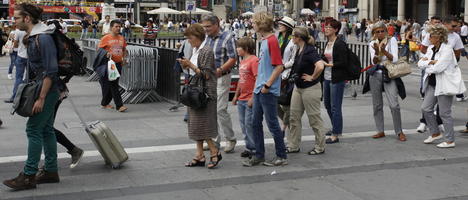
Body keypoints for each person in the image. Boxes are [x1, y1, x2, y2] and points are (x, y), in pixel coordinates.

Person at [4, 3, 61, 190]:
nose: (14, 21)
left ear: (27, 18)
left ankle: (29, 175)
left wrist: (41, 98)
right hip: (44, 89)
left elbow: (51, 71)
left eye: (17, 18)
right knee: (46, 130)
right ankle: (51, 171)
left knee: (33, 130)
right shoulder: (35, 36)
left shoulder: (43, 38)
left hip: (47, 90)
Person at [242, 12, 287, 167]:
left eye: (254, 22)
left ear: (260, 24)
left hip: (267, 90)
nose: (252, 25)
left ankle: (281, 155)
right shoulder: (265, 41)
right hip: (260, 89)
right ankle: (259, 155)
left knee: (272, 123)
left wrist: (267, 85)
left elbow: (279, 66)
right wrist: (256, 91)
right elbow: (262, 69)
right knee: (255, 123)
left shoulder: (271, 41)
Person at [177, 24, 221, 169]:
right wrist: (185, 65)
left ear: (197, 37)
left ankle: (214, 151)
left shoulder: (206, 50)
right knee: (195, 125)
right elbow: (194, 70)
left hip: (205, 93)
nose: (188, 41)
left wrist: (189, 64)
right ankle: (200, 155)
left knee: (203, 125)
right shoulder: (196, 49)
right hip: (195, 92)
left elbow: (206, 75)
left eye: (190, 38)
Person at [418, 24, 466, 148]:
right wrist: (430, 62)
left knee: (445, 113)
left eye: (431, 36)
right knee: (426, 108)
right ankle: (435, 133)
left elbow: (439, 68)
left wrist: (428, 67)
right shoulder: (430, 49)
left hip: (444, 85)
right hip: (432, 84)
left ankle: (450, 140)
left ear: (438, 37)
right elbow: (419, 63)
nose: (428, 38)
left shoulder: (447, 49)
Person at [285, 26, 326, 155]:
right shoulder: (299, 49)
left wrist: (312, 77)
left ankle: (320, 146)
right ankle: (293, 145)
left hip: (310, 88)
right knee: (294, 117)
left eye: (293, 36)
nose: (291, 38)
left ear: (298, 37)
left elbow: (320, 65)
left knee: (314, 118)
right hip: (299, 87)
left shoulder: (309, 50)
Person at [364, 21, 407, 142]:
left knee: (394, 105)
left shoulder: (392, 40)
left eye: (382, 31)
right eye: (377, 32)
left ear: (386, 31)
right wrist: (377, 52)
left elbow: (395, 59)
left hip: (389, 74)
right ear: (374, 33)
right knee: (377, 105)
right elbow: (374, 62)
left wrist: (385, 51)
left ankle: (399, 131)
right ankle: (380, 130)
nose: (380, 33)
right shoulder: (372, 43)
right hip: (376, 75)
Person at [202, 15, 238, 153]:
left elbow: (233, 58)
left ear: (216, 24)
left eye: (208, 26)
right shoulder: (207, 38)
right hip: (208, 78)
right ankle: (214, 141)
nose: (206, 29)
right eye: (204, 27)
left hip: (222, 77)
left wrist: (220, 70)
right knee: (210, 109)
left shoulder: (228, 37)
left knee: (220, 109)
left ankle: (230, 139)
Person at [322, 19, 348, 144]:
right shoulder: (328, 43)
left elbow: (344, 62)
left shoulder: (340, 44)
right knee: (327, 104)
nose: (326, 29)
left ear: (336, 29)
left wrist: (329, 64)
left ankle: (336, 134)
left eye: (329, 27)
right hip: (327, 77)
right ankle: (335, 126)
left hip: (337, 78)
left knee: (335, 106)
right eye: (325, 27)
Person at [232, 37, 258, 159]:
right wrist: (236, 95)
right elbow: (241, 81)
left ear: (246, 48)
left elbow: (258, 79)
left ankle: (254, 148)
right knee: (243, 124)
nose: (237, 49)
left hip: (249, 98)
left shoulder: (254, 60)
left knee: (249, 123)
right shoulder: (242, 61)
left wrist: (253, 97)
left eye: (239, 47)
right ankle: (249, 146)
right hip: (242, 97)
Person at [97, 20, 128, 112]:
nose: (118, 28)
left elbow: (124, 49)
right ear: (111, 28)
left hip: (118, 64)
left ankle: (104, 103)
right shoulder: (106, 38)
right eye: (116, 26)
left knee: (110, 84)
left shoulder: (122, 38)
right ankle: (119, 105)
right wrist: (106, 53)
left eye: (119, 26)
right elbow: (99, 50)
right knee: (114, 84)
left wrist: (124, 59)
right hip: (109, 64)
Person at [276, 16, 296, 145]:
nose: (279, 25)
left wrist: (284, 66)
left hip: (286, 74)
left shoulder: (292, 40)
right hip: (277, 73)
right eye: (279, 23)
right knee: (275, 101)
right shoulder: (279, 38)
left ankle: (286, 125)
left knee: (286, 103)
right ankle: (285, 122)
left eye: (282, 24)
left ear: (288, 27)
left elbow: (293, 60)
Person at [4, 28, 27, 103]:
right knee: (30, 77)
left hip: (21, 56)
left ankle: (14, 97)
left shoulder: (18, 31)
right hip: (30, 56)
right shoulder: (31, 29)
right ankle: (28, 95)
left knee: (18, 78)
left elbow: (16, 45)